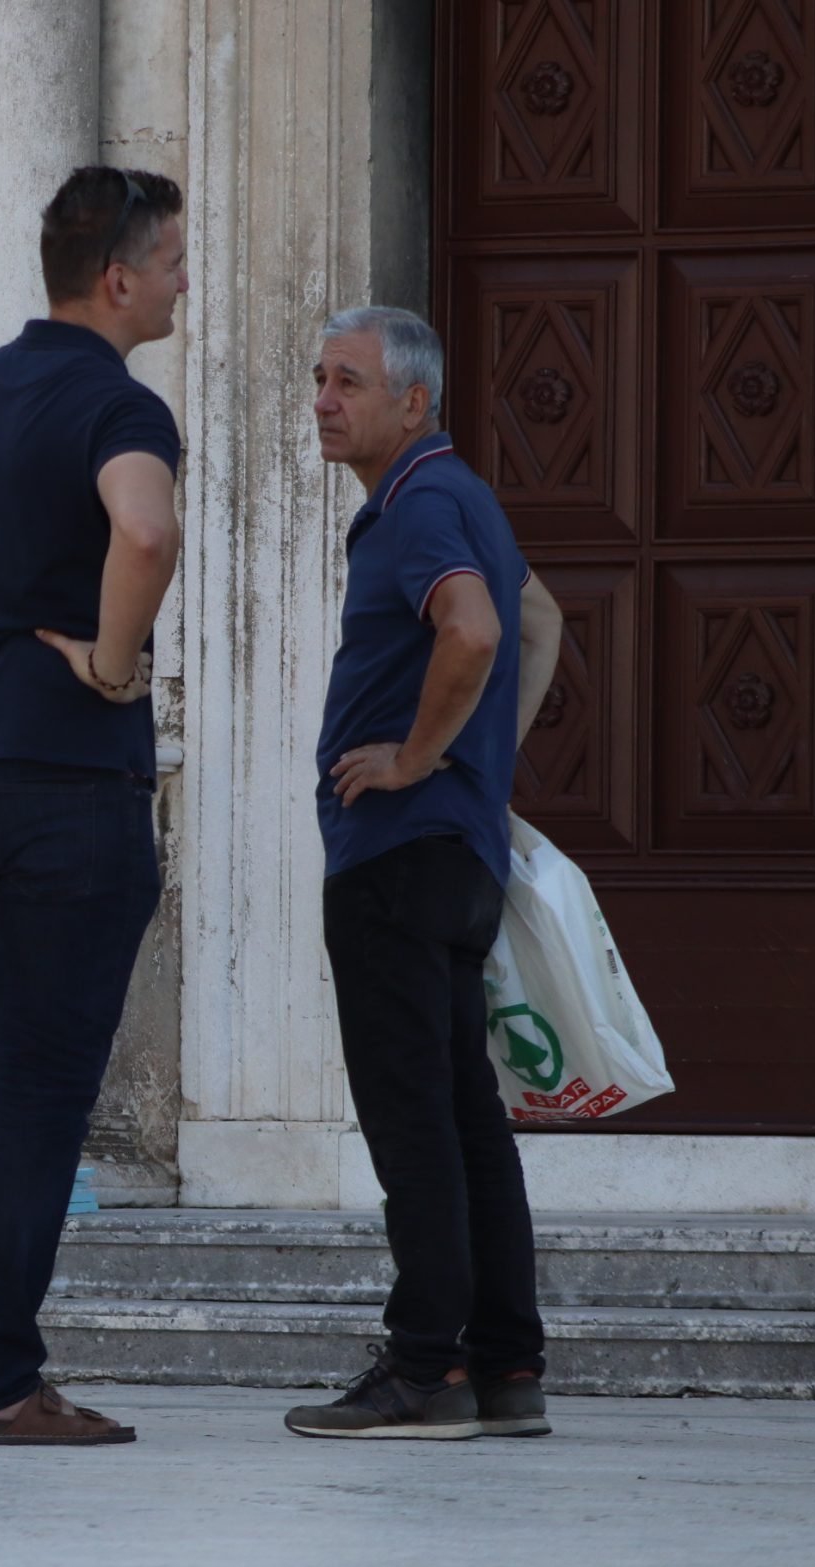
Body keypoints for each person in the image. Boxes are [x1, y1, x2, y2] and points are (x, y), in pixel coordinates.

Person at [0, 166, 187, 1446]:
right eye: (170, 262)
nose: (182, 282)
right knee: (43, 1093)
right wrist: (113, 666)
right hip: (68, 785)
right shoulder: (119, 403)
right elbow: (146, 532)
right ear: (116, 279)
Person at [286, 306, 564, 1441]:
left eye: (347, 382)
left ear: (414, 402)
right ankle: (506, 1367)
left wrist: (417, 756)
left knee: (414, 1124)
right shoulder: (464, 498)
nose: (322, 400)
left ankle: (424, 1369)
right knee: (463, 1117)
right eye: (318, 378)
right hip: (452, 852)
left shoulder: (418, 504)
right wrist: (480, 770)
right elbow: (539, 621)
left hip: (396, 857)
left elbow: (478, 632)